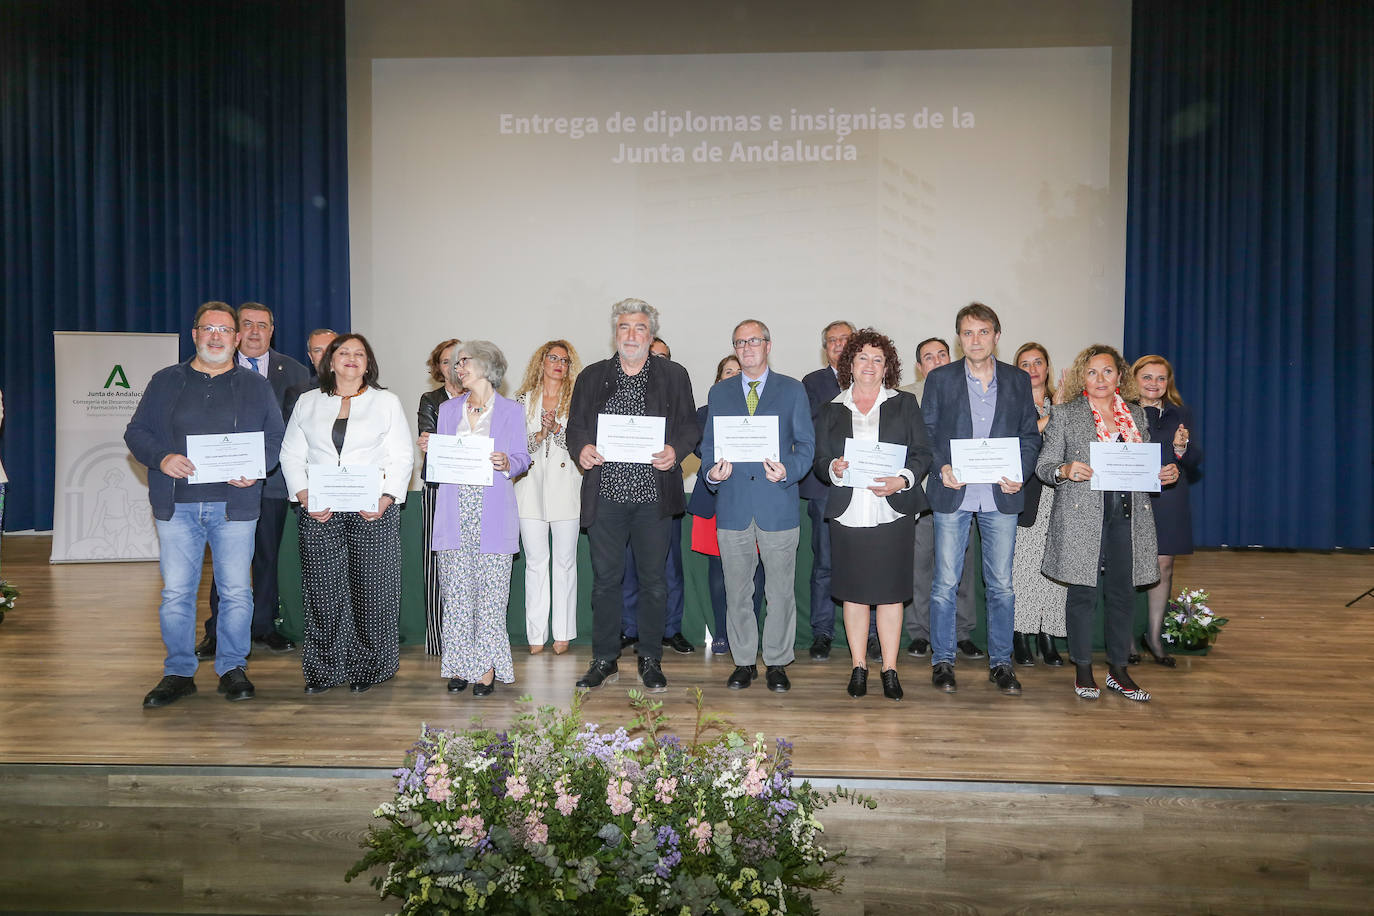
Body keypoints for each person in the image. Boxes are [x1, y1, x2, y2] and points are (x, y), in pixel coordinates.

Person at [125, 301, 284, 708]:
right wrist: (162, 458)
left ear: (236, 339)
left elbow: (274, 439)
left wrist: (257, 468)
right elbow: (136, 431)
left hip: (236, 506)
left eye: (224, 330)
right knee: (176, 593)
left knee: (235, 592)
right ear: (195, 335)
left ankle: (232, 666)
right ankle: (178, 672)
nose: (216, 336)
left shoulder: (255, 386)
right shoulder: (165, 381)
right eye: (208, 328)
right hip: (178, 506)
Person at [566, 298, 699, 692]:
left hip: (652, 496)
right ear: (615, 332)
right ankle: (604, 658)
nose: (631, 335)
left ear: (651, 334)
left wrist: (676, 450)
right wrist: (582, 449)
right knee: (606, 582)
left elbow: (690, 426)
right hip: (606, 494)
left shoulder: (674, 375)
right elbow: (575, 428)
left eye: (640, 328)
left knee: (654, 581)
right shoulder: (592, 376)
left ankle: (650, 658)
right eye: (624, 327)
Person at [1036, 344, 1179, 701]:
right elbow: (1044, 466)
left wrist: (1163, 473)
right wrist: (1064, 470)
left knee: (1122, 595)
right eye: (1092, 372)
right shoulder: (1066, 414)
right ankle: (1083, 670)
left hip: (1129, 517)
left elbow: (1146, 465)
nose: (1101, 379)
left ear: (1120, 376)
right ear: (1082, 377)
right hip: (1083, 518)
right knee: (1082, 596)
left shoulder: (1136, 414)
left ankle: (1118, 670)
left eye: (1108, 371)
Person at [279, 333, 413, 694]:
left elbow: (402, 456)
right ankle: (324, 670)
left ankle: (369, 667)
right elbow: (291, 454)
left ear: (368, 363)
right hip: (319, 509)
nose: (351, 358)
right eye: (343, 353)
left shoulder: (386, 402)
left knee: (373, 592)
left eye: (360, 353)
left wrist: (386, 498)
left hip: (373, 510)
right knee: (322, 592)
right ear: (330, 361)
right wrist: (305, 495)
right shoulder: (308, 402)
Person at [922, 302, 1041, 696]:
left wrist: (1020, 472)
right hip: (953, 492)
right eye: (968, 333)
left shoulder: (1017, 380)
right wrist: (941, 467)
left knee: (1001, 586)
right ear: (959, 338)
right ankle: (943, 661)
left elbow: (1030, 435)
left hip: (1000, 495)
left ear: (997, 335)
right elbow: (927, 433)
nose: (975, 340)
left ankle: (1002, 663)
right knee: (944, 584)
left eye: (983, 332)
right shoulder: (940, 379)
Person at [813, 328, 932, 700]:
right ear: (850, 363)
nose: (869, 364)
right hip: (850, 513)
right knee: (854, 595)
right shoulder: (832, 408)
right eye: (862, 357)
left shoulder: (904, 404)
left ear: (887, 368)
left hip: (892, 513)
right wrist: (834, 467)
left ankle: (891, 669)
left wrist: (903, 479)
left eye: (877, 359)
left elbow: (922, 454)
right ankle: (859, 666)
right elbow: (819, 461)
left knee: (891, 595)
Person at [700, 319, 815, 692]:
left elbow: (807, 447)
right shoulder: (720, 392)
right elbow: (709, 447)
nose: (746, 347)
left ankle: (778, 662)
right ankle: (745, 661)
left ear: (768, 345)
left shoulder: (792, 390)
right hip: (733, 503)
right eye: (739, 342)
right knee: (737, 590)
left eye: (753, 341)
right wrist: (712, 475)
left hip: (776, 501)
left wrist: (788, 470)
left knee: (780, 591)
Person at [198, 303, 310, 660]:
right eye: (247, 324)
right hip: (224, 482)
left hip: (273, 483)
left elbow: (298, 430)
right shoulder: (211, 368)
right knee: (226, 561)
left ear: (272, 330)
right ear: (235, 331)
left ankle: (263, 626)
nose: (255, 332)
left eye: (262, 325)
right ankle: (218, 632)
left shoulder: (294, 371)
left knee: (267, 558)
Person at [430, 341, 531, 696]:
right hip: (454, 510)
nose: (459, 368)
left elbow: (522, 457)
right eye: (457, 364)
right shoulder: (446, 410)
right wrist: (432, 449)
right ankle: (459, 665)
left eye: (465, 362)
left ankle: (486, 668)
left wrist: (508, 463)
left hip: (493, 512)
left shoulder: (511, 411)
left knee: (490, 597)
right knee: (457, 596)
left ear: (488, 366)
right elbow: (440, 463)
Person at [801, 320, 879, 661]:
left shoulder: (875, 380)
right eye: (831, 340)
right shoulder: (813, 383)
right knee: (824, 564)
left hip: (872, 488)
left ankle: (873, 635)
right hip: (826, 487)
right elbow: (811, 430)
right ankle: (822, 632)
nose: (837, 344)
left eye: (844, 339)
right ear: (825, 348)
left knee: (871, 564)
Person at [899, 336, 979, 660]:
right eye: (928, 357)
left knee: (961, 567)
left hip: (961, 493)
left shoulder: (974, 391)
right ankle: (919, 632)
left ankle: (961, 634)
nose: (936, 361)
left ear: (953, 358)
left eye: (942, 355)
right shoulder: (904, 398)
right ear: (920, 367)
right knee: (919, 566)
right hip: (919, 495)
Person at [687, 355, 765, 656]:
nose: (734, 376)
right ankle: (721, 632)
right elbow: (697, 447)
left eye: (739, 372)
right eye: (727, 372)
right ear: (719, 380)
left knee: (755, 572)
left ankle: (749, 634)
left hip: (756, 499)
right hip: (715, 498)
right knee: (719, 571)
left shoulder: (763, 411)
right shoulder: (706, 412)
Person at [621, 336, 694, 654]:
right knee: (630, 564)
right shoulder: (623, 392)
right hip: (625, 491)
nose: (658, 363)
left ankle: (671, 629)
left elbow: (689, 432)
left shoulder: (677, 393)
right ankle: (630, 628)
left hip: (664, 490)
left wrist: (673, 450)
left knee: (669, 566)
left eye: (664, 357)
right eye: (654, 357)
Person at [512, 339, 582, 655]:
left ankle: (564, 632)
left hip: (567, 489)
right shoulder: (521, 401)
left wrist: (555, 430)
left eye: (564, 360)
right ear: (541, 362)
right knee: (536, 562)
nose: (558, 364)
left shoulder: (578, 401)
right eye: (552, 358)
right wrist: (540, 435)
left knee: (566, 562)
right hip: (529, 490)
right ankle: (536, 635)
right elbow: (515, 450)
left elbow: (582, 447)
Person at [1133, 354, 1200, 667]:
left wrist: (1181, 451)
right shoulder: (1122, 410)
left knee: (1163, 565)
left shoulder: (1180, 412)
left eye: (1161, 378)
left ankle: (1154, 636)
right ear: (1134, 379)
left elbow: (1196, 458)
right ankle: (1128, 637)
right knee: (1131, 565)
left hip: (1169, 497)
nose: (1154, 384)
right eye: (1147, 377)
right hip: (1131, 495)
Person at [1010, 342, 1067, 667]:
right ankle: (1020, 635)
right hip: (1027, 497)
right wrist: (1055, 414)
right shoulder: (1011, 404)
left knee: (1055, 570)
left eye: (1038, 362)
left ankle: (1049, 635)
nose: (1032, 369)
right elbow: (1020, 439)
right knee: (1023, 570)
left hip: (1060, 499)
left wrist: (1060, 410)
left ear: (1047, 367)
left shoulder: (1067, 404)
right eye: (1024, 364)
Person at [416, 338, 463, 656]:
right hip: (438, 489)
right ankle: (439, 641)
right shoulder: (430, 399)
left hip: (475, 491)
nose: (454, 367)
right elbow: (431, 444)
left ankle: (472, 637)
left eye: (459, 360)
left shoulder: (482, 398)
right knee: (436, 564)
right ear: (438, 368)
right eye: (446, 361)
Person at [283, 328, 338, 420]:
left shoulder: (361, 388)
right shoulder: (298, 394)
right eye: (318, 351)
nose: (325, 355)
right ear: (311, 357)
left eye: (330, 349)